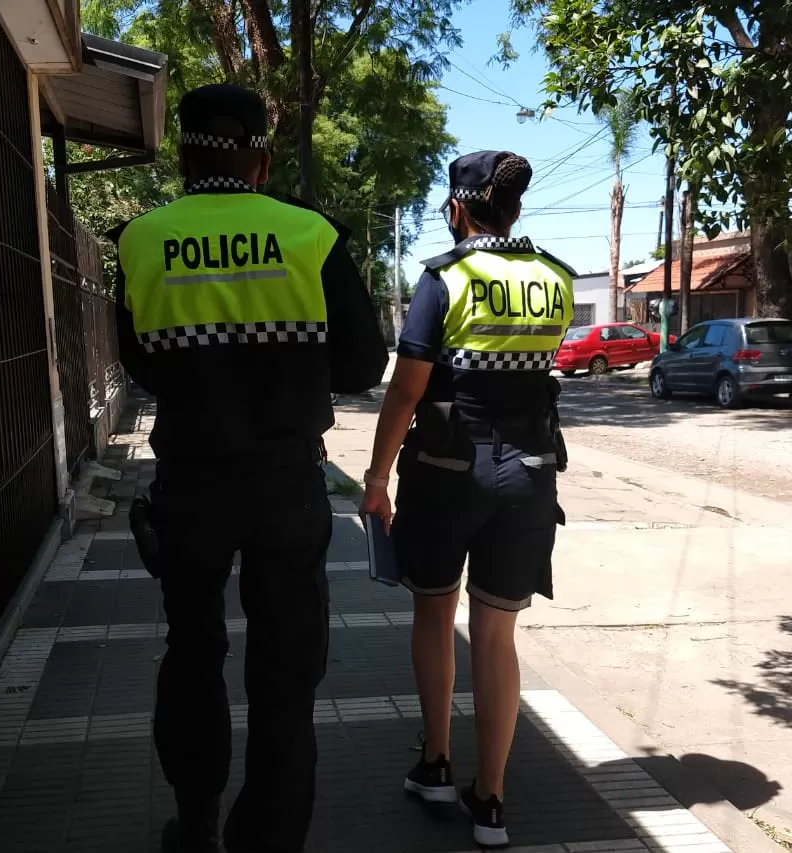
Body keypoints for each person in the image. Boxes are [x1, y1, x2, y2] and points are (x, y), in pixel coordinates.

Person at [108, 83, 388, 853]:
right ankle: (265, 838)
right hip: (284, 487)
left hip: (191, 483)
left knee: (192, 651)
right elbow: (364, 362)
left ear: (183, 153)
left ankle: (194, 823)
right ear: (262, 159)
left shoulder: (140, 238)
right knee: (285, 677)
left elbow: (142, 363)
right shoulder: (312, 235)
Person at [358, 151, 575, 849]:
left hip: (447, 472)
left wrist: (376, 476)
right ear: (512, 207)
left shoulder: (444, 278)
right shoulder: (555, 279)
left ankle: (436, 762)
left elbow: (407, 388)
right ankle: (492, 798)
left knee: (434, 612)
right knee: (497, 633)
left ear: (459, 206)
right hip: (530, 475)